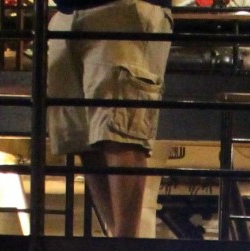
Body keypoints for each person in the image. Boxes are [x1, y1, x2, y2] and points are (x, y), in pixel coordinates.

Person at [48, 0, 171, 237]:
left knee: (119, 133)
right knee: (83, 138)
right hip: (68, 14)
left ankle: (124, 250)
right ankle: (116, 242)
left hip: (122, 9)